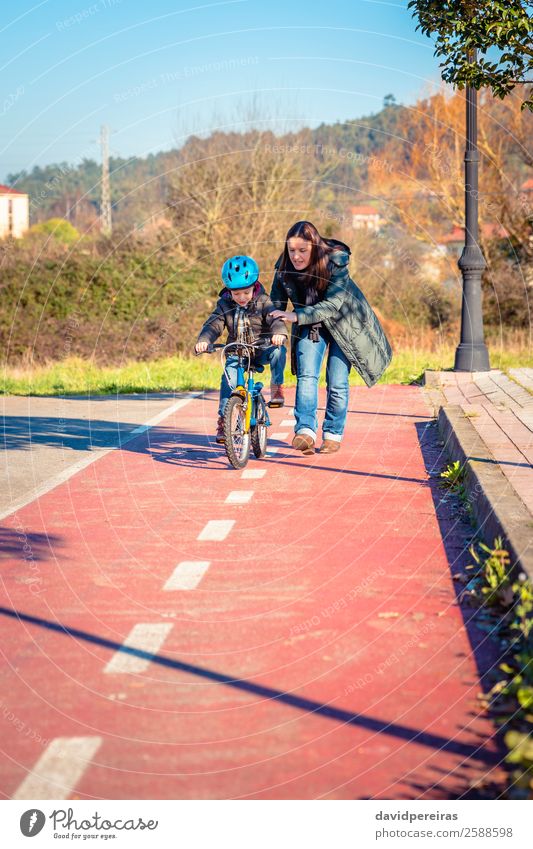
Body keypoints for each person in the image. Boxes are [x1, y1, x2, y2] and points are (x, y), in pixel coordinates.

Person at [270, 220, 392, 455]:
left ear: (314, 247)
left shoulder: (336, 264)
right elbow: (275, 305)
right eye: (292, 250)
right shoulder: (284, 269)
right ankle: (305, 431)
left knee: (337, 382)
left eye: (302, 250)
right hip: (310, 323)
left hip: (344, 324)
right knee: (307, 376)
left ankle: (333, 434)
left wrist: (295, 316)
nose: (296, 256)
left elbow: (332, 305)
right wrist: (271, 328)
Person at [195, 255, 288, 444]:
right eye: (236, 294)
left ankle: (277, 386)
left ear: (253, 287)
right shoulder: (224, 305)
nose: (241, 298)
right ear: (229, 291)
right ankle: (224, 419)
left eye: (245, 293)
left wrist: (279, 333)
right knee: (227, 380)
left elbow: (274, 318)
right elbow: (214, 325)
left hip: (261, 349)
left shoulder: (263, 300)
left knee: (279, 351)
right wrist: (204, 340)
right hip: (237, 352)